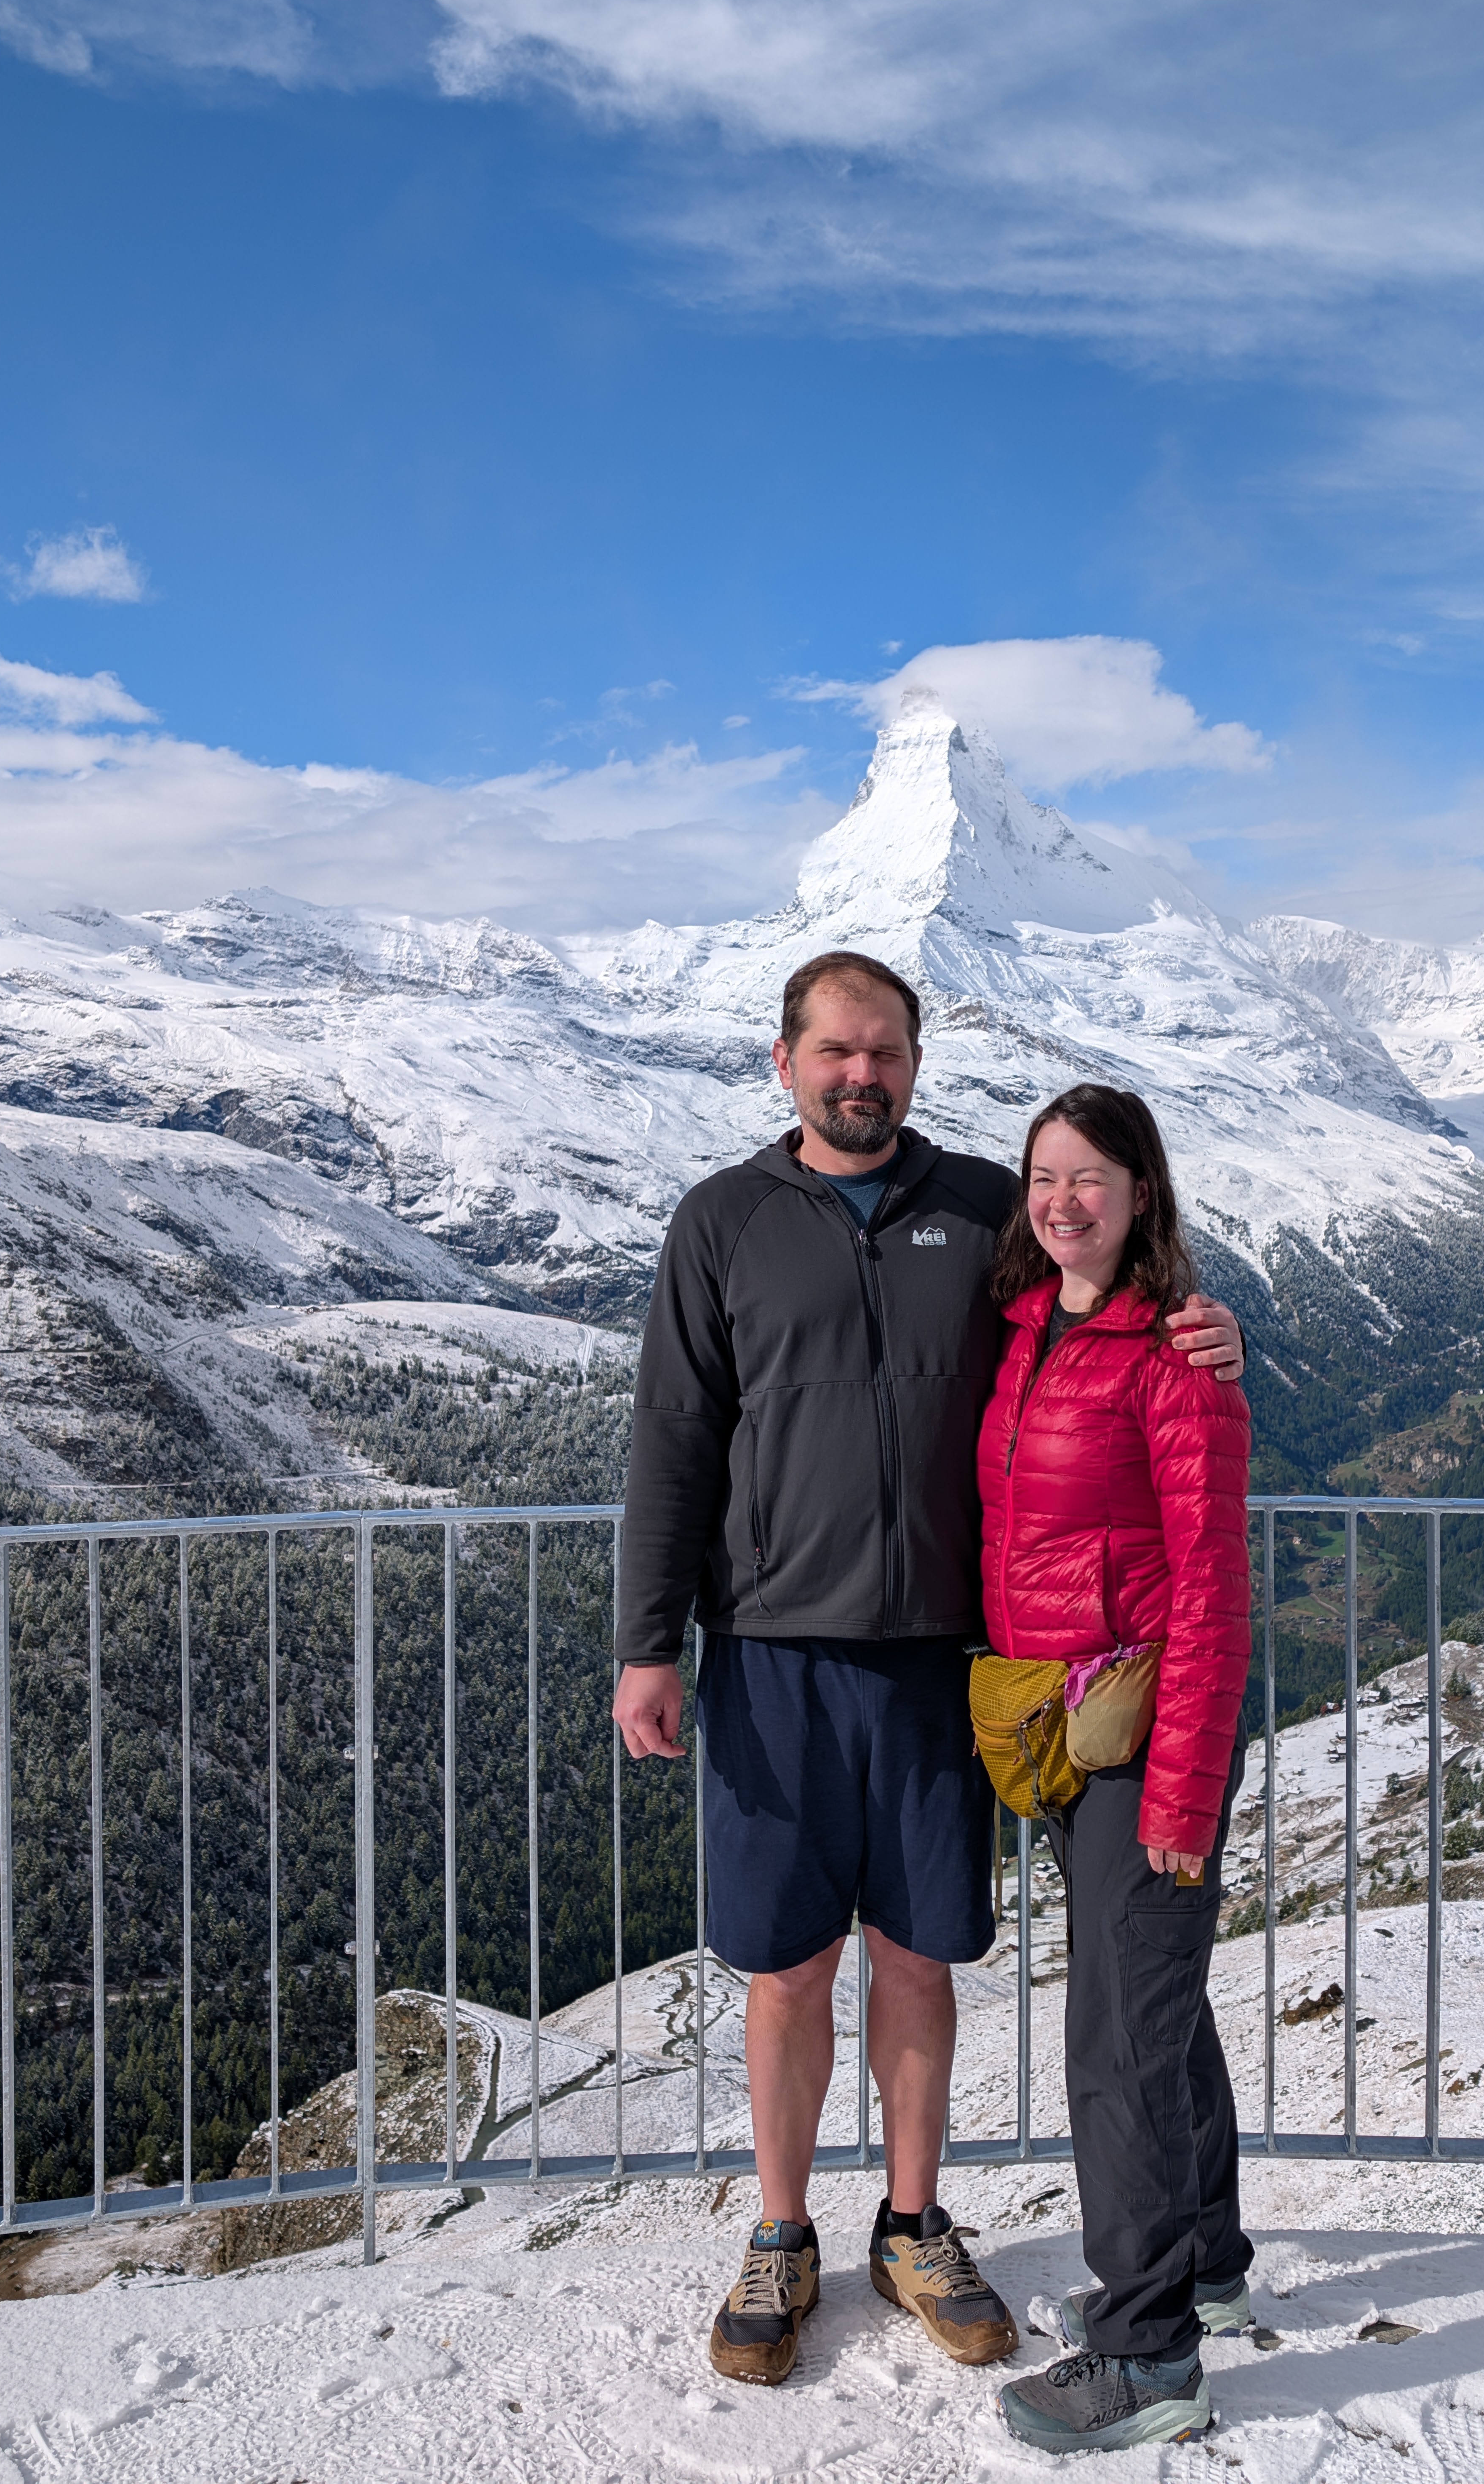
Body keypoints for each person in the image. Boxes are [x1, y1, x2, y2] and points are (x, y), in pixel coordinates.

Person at [613, 951, 1246, 2388]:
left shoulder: (980, 1208)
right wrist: (648, 1643)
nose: (863, 1075)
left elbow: (1110, 1298)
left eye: (887, 1052)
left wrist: (1215, 1330)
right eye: (838, 1052)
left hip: (938, 1670)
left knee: (916, 1954)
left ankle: (911, 2223)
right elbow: (672, 1443)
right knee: (785, 1967)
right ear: (787, 1063)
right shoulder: (718, 1224)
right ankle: (783, 2236)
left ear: (914, 1063)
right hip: (767, 1653)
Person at [974, 1083, 1254, 2455]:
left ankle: (1149, 2358)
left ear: (1144, 1194)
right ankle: (1204, 2263)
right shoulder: (1029, 1330)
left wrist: (1184, 1799)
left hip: (1149, 1734)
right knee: (1160, 2013)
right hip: (1064, 1727)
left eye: (1093, 1177)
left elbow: (1210, 1593)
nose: (1063, 1199)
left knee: (1118, 2040)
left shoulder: (1175, 1358)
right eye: (1044, 1176)